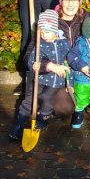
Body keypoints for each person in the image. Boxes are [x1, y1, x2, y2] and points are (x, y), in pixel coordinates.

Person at [8, 10, 72, 141]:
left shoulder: (64, 44)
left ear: (55, 30)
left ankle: (43, 117)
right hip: (40, 79)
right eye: (41, 32)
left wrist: (70, 84)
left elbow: (69, 64)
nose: (44, 35)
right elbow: (32, 59)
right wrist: (35, 65)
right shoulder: (39, 44)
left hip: (56, 81)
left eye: (47, 31)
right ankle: (20, 124)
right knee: (29, 100)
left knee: (46, 97)